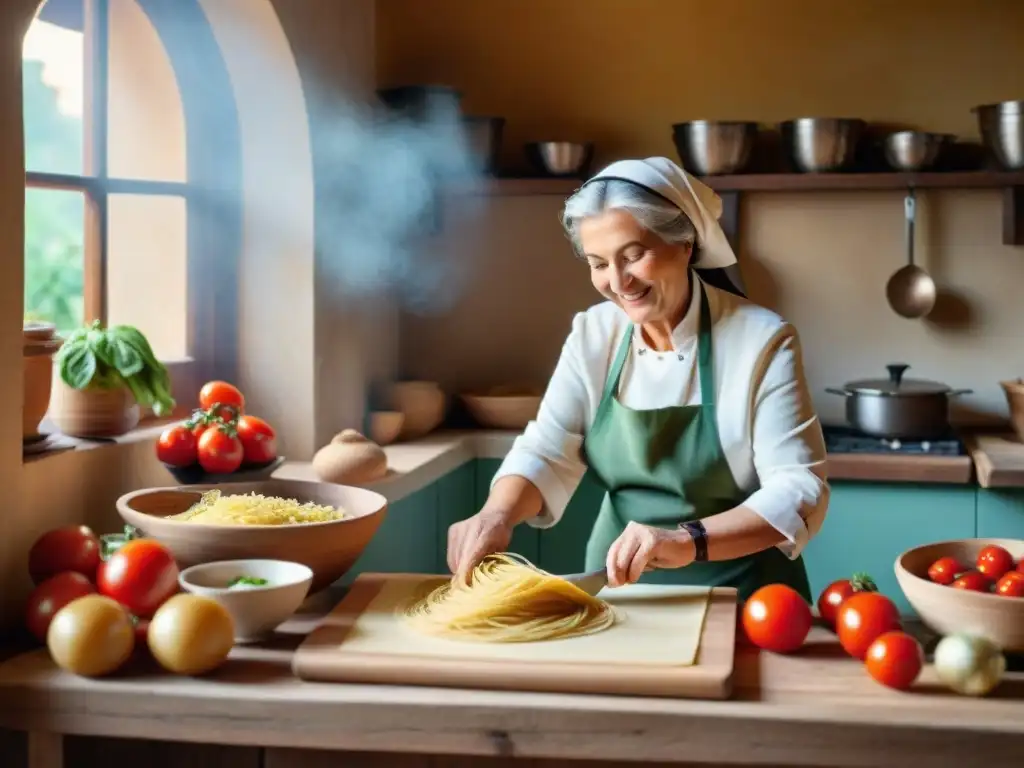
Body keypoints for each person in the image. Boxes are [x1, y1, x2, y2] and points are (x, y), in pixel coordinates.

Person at [447, 157, 829, 601]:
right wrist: (497, 514)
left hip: (742, 595)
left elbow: (799, 489)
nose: (618, 281)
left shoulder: (761, 340)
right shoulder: (595, 333)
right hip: (618, 587)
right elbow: (549, 448)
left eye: (633, 255)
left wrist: (686, 541)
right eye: (598, 263)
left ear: (685, 243)